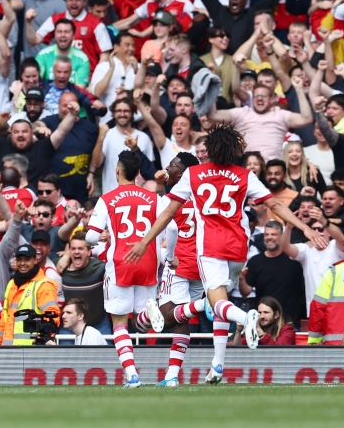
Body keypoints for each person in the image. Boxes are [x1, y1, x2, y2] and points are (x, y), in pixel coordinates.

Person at [130, 123, 321, 384]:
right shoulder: (244, 175)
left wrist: (145, 241)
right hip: (238, 247)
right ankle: (218, 365)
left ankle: (248, 320)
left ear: (211, 149)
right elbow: (275, 204)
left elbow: (168, 213)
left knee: (217, 303)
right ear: (234, 150)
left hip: (211, 247)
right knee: (221, 306)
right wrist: (304, 228)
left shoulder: (194, 174)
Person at [86, 151, 164, 388]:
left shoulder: (107, 199)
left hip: (121, 264)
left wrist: (103, 238)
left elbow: (90, 237)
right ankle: (150, 311)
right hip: (148, 261)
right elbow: (167, 228)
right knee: (142, 323)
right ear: (139, 173)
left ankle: (132, 375)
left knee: (119, 322)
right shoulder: (153, 198)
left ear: (117, 171)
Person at [154, 152, 208, 387]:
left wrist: (168, 257)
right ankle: (172, 376)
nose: (168, 168)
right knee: (182, 318)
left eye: (173, 165)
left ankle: (206, 305)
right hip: (202, 264)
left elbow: (173, 230)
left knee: (167, 316)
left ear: (184, 172)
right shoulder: (204, 198)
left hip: (179, 263)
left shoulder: (171, 199)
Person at [0, 244, 60, 346]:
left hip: (33, 351)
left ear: (35, 260)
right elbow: (5, 318)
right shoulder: (12, 284)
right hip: (10, 350)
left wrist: (45, 339)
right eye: (19, 259)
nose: (22, 263)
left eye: (27, 259)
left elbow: (52, 316)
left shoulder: (44, 285)